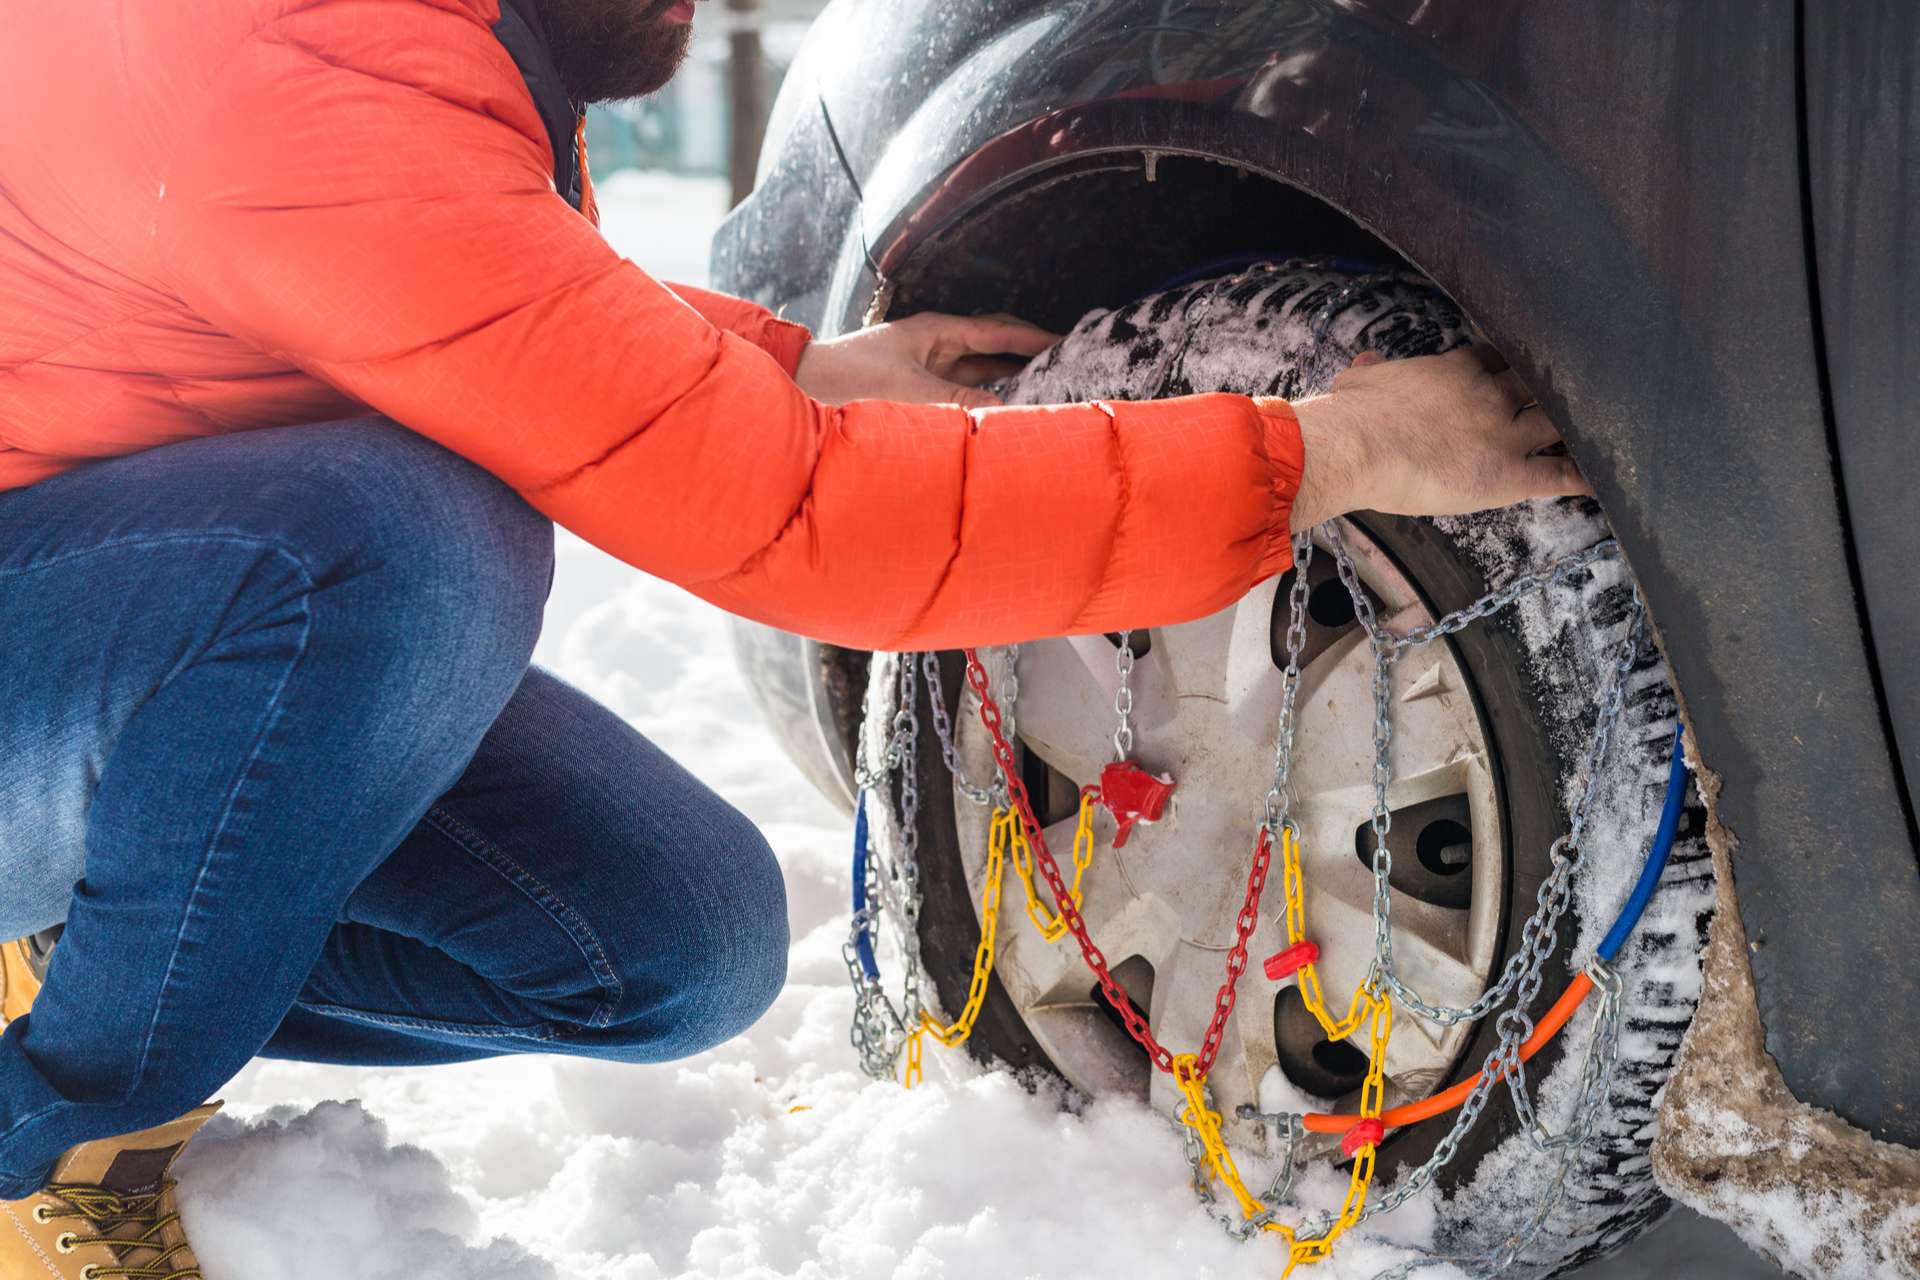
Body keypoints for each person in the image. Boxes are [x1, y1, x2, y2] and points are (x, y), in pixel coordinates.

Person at [0, 0, 1588, 1272]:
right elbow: (801, 524)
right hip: (61, 620)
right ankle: (49, 1141)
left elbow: (448, 290)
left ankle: (81, 953)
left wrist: (796, 372)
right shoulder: (279, 61)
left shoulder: (384, 47)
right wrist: (1334, 455)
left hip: (118, 633)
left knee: (667, 945)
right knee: (410, 549)